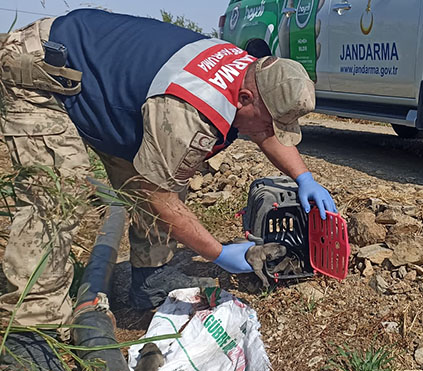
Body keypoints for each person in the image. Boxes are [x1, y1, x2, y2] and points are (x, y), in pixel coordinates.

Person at [0, 8, 338, 335]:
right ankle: (31, 329)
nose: (269, 131)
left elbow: (261, 130)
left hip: (104, 87)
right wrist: (217, 254)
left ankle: (150, 279)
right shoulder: (187, 113)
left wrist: (304, 178)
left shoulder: (250, 71)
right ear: (245, 99)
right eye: (270, 122)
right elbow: (156, 194)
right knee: (58, 196)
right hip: (40, 72)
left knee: (169, 172)